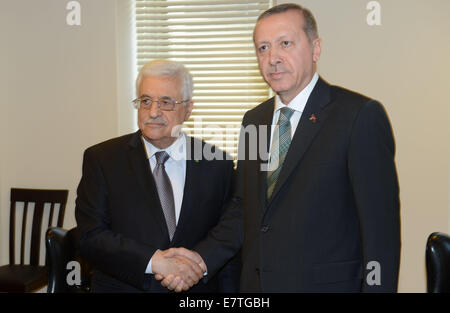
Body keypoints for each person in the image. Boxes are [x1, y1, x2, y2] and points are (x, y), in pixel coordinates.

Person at [159, 3, 401, 292]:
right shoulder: (254, 120)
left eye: (285, 43)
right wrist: (200, 260)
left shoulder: (358, 116)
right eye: (262, 48)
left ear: (315, 48)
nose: (273, 58)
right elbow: (244, 210)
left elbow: (380, 233)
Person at [74, 59, 240, 292]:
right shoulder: (102, 160)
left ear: (188, 109)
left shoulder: (217, 164)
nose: (153, 112)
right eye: (146, 101)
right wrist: (155, 262)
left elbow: (228, 239)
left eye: (166, 102)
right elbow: (90, 237)